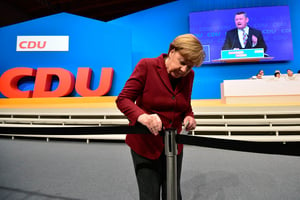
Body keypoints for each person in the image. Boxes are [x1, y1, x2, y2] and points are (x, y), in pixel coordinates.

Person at [116, 33, 205, 200]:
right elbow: (123, 99)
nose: (184, 70)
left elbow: (185, 105)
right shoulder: (147, 66)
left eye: (190, 66)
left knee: (173, 194)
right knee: (150, 196)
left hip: (173, 146)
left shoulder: (188, 76)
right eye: (183, 62)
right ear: (172, 51)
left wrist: (189, 117)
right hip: (145, 145)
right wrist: (144, 117)